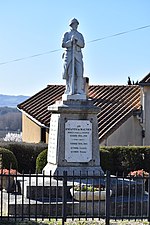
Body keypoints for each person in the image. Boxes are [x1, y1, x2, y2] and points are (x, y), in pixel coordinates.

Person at [62, 18, 85, 95]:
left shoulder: (80, 35)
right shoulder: (67, 34)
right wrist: (70, 41)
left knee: (79, 73)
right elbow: (63, 44)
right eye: (74, 24)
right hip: (69, 55)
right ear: (71, 25)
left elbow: (83, 45)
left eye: (77, 24)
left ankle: (79, 89)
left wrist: (77, 41)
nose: (76, 26)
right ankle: (69, 89)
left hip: (77, 55)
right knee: (70, 74)